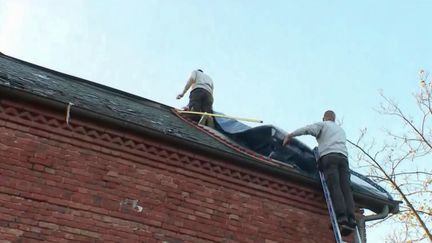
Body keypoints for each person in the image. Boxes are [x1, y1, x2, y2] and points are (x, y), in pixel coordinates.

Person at [282, 110, 356, 235]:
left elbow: (307, 129)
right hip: (343, 159)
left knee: (335, 186)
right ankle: (352, 218)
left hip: (329, 157)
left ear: (324, 118)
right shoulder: (340, 130)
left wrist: (290, 135)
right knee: (346, 188)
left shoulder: (323, 125)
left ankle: (342, 217)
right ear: (334, 118)